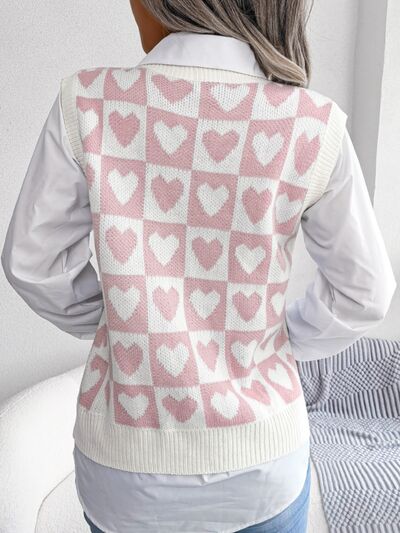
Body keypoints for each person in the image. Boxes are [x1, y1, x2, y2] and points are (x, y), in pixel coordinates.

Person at [1, 1, 397, 532]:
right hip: (263, 461)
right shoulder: (312, 124)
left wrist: (127, 326)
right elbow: (364, 292)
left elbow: (33, 263)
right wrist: (276, 342)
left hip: (123, 466)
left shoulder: (89, 102)